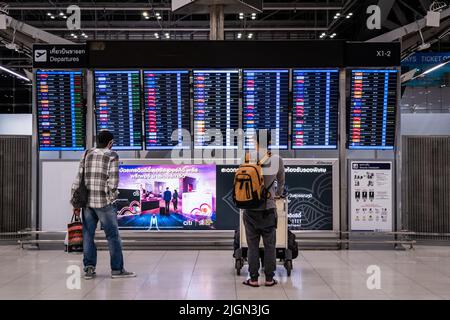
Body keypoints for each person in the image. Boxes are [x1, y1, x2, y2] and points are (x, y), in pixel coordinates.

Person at [71, 130, 136, 280]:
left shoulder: (87, 153)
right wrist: (112, 198)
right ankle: (117, 270)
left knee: (88, 235)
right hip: (104, 203)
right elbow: (113, 182)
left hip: (87, 203)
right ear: (110, 142)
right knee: (112, 237)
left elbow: (78, 178)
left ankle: (89, 269)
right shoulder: (112, 155)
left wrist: (75, 201)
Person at [242, 130, 285, 288]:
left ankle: (253, 279)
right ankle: (269, 278)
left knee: (252, 245)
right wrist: (277, 195)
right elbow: (281, 183)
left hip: (250, 208)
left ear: (255, 141)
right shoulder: (277, 159)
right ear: (269, 141)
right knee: (269, 245)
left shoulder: (247, 157)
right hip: (268, 208)